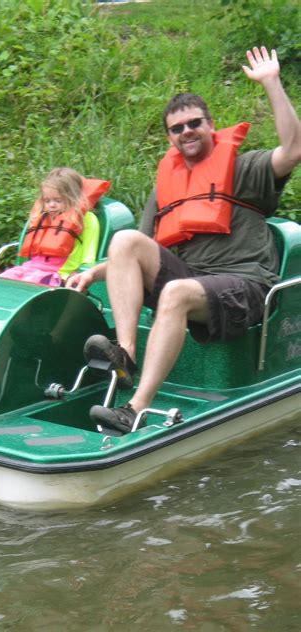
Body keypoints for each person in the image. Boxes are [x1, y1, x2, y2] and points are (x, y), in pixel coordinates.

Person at [66, 46, 301, 435]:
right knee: (125, 241)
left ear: (211, 125)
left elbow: (294, 149)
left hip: (244, 286)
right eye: (177, 128)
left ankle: (134, 410)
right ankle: (125, 354)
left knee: (175, 292)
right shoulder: (166, 188)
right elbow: (137, 254)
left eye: (194, 123)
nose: (186, 131)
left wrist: (271, 82)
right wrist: (94, 274)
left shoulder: (246, 168)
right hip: (193, 278)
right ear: (169, 138)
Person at [0, 167, 107, 287]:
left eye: (58, 200)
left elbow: (89, 257)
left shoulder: (87, 219)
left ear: (73, 197)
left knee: (27, 286)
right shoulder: (42, 217)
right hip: (30, 268)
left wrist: (82, 276)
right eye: (47, 201)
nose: (52, 205)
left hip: (60, 275)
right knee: (0, 282)